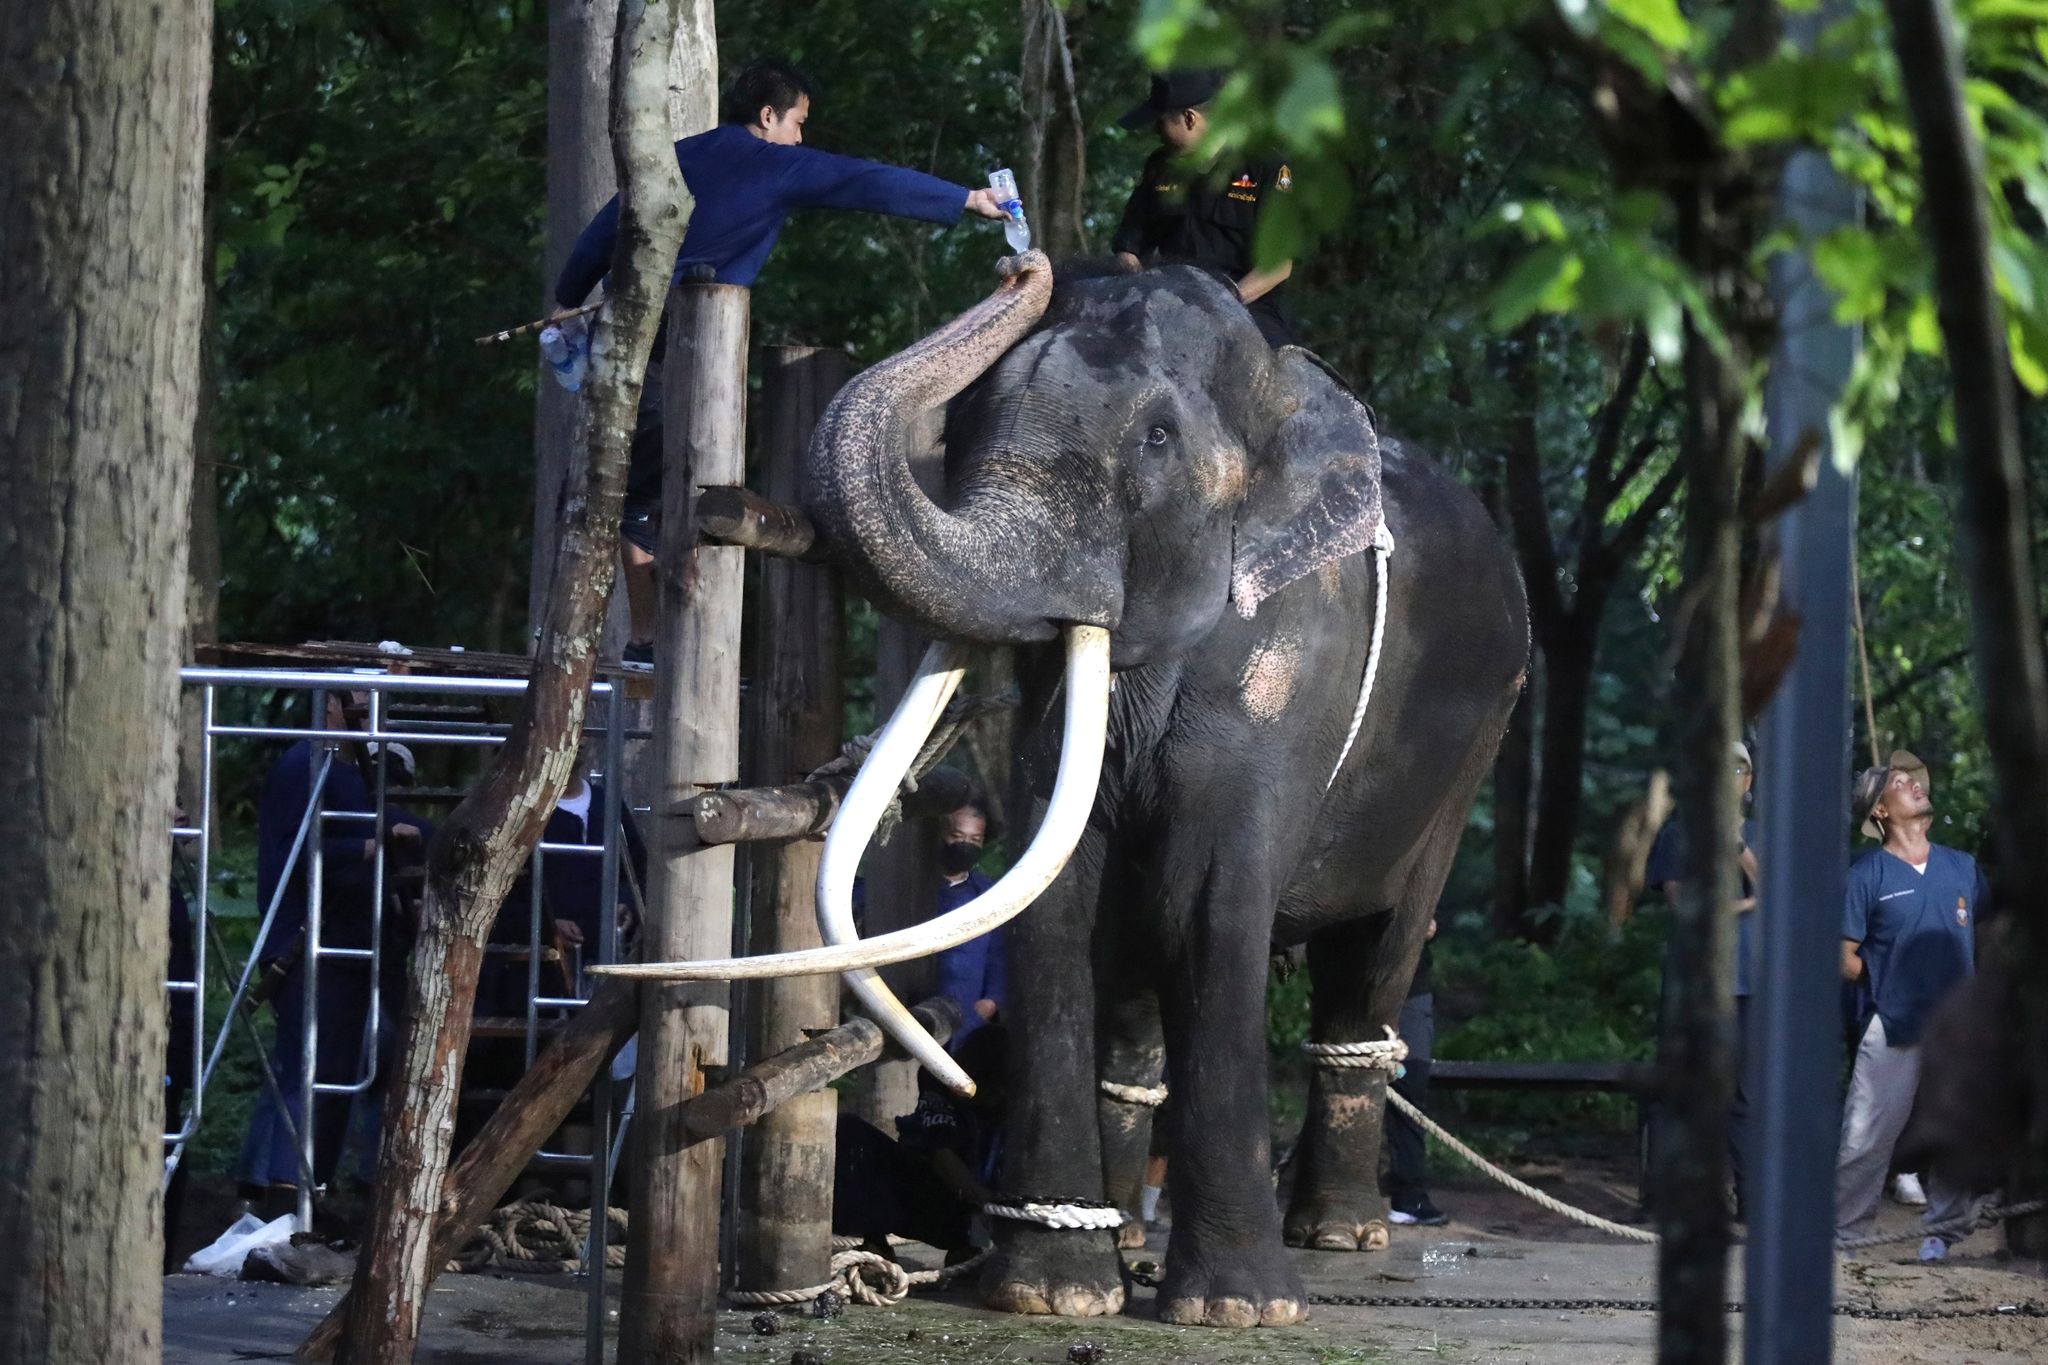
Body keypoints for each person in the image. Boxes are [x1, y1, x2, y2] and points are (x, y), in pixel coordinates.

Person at [550, 59, 1009, 666]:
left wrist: (566, 295)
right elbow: (866, 181)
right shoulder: (776, 163)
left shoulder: (678, 155)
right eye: (798, 122)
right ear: (768, 117)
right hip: (689, 352)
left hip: (623, 332)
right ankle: (655, 643)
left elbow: (604, 227)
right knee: (657, 496)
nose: (801, 137)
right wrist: (967, 199)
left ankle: (647, 639)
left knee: (626, 490)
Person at [238, 690, 428, 1207]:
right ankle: (280, 1195)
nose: (372, 715)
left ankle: (307, 1193)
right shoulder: (305, 764)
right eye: (361, 703)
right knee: (307, 1069)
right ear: (333, 707)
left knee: (338, 1073)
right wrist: (379, 841)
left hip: (352, 944)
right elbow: (307, 848)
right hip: (308, 943)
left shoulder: (348, 770)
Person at [1836, 750, 1985, 1261]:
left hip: (1961, 1027)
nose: (1915, 786)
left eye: (1914, 781)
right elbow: (1843, 956)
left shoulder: (1961, 867)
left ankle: (1942, 1235)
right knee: (1865, 1136)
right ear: (1879, 811)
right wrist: (1887, 986)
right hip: (1894, 1024)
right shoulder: (1867, 875)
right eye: (1900, 784)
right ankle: (1847, 1237)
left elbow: (1987, 938)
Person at [1643, 739, 1761, 1217]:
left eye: (1738, 772)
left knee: (1746, 1097)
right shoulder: (1679, 835)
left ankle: (1750, 1202)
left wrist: (1737, 848)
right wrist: (1751, 903)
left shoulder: (1761, 834)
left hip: (1751, 985)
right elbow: (1687, 906)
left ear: (1749, 782)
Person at [1109, 68, 1298, 347]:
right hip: (1167, 298)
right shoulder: (1159, 167)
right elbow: (1129, 249)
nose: (1155, 131)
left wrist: (1226, 301)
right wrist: (1144, 291)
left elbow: (1279, 265)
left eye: (1161, 122)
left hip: (1246, 303)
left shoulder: (1267, 167)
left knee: (1287, 377)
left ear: (1189, 118)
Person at [833, 1022, 1007, 1259]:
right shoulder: (944, 1083)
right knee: (851, 1131)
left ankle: (967, 1247)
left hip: (1005, 1210)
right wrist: (979, 1197)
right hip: (940, 1203)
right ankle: (875, 1241)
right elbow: (940, 1150)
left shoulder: (1021, 1105)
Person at [1385, 917, 1445, 1226]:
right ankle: (1405, 1196)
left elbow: (1431, 924)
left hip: (1412, 989)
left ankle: (1408, 1196)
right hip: (1363, 983)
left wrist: (1428, 925)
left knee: (1410, 1088)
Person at [931, 799, 1005, 1049]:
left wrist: (992, 1001)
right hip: (917, 1012)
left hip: (969, 1019)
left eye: (975, 840)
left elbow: (999, 955)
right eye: (958, 835)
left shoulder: (987, 894)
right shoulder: (917, 888)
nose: (965, 844)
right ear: (943, 834)